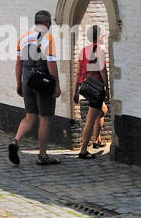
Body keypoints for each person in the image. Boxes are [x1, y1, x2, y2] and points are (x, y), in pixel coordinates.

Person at [10, 10, 61, 166]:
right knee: (44, 119)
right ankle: (42, 155)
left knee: (29, 117)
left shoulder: (23, 37)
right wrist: (56, 85)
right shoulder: (48, 38)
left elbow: (18, 63)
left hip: (27, 81)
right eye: (50, 21)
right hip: (42, 82)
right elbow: (51, 63)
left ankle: (15, 142)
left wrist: (19, 83)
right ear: (46, 23)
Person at [73, 25, 109, 159]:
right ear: (98, 37)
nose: (104, 37)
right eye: (103, 35)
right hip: (96, 89)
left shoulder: (83, 51)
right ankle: (83, 150)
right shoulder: (99, 50)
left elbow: (78, 73)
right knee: (90, 119)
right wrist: (107, 88)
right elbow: (102, 71)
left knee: (103, 110)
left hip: (86, 87)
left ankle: (97, 140)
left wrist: (75, 91)